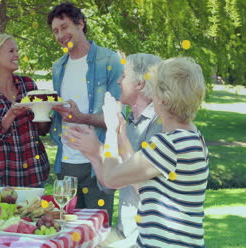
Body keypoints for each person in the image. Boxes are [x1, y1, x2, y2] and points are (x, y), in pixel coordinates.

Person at [66, 57, 209, 247]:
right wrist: (122, 134)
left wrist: (110, 129)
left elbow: (111, 178)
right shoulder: (191, 138)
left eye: (154, 90)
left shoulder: (168, 144)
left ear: (162, 99)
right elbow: (145, 186)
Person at [70, 53, 163, 247]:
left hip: (147, 237)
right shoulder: (129, 123)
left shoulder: (159, 126)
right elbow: (109, 183)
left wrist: (99, 148)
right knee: (73, 239)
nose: (119, 81)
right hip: (124, 231)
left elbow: (146, 191)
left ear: (139, 83)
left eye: (124, 75)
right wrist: (93, 155)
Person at [47, 2, 123, 219]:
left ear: (80, 23)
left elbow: (118, 118)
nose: (60, 35)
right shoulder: (58, 67)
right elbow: (60, 116)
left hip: (97, 164)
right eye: (55, 31)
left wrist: (83, 118)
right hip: (66, 165)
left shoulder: (108, 61)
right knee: (67, 231)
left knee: (99, 231)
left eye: (64, 27)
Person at [0, 33, 50, 187]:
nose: (17, 55)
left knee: (35, 212)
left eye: (17, 51)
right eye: (11, 51)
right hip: (2, 175)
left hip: (35, 173)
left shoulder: (28, 85)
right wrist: (11, 114)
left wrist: (45, 110)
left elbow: (41, 130)